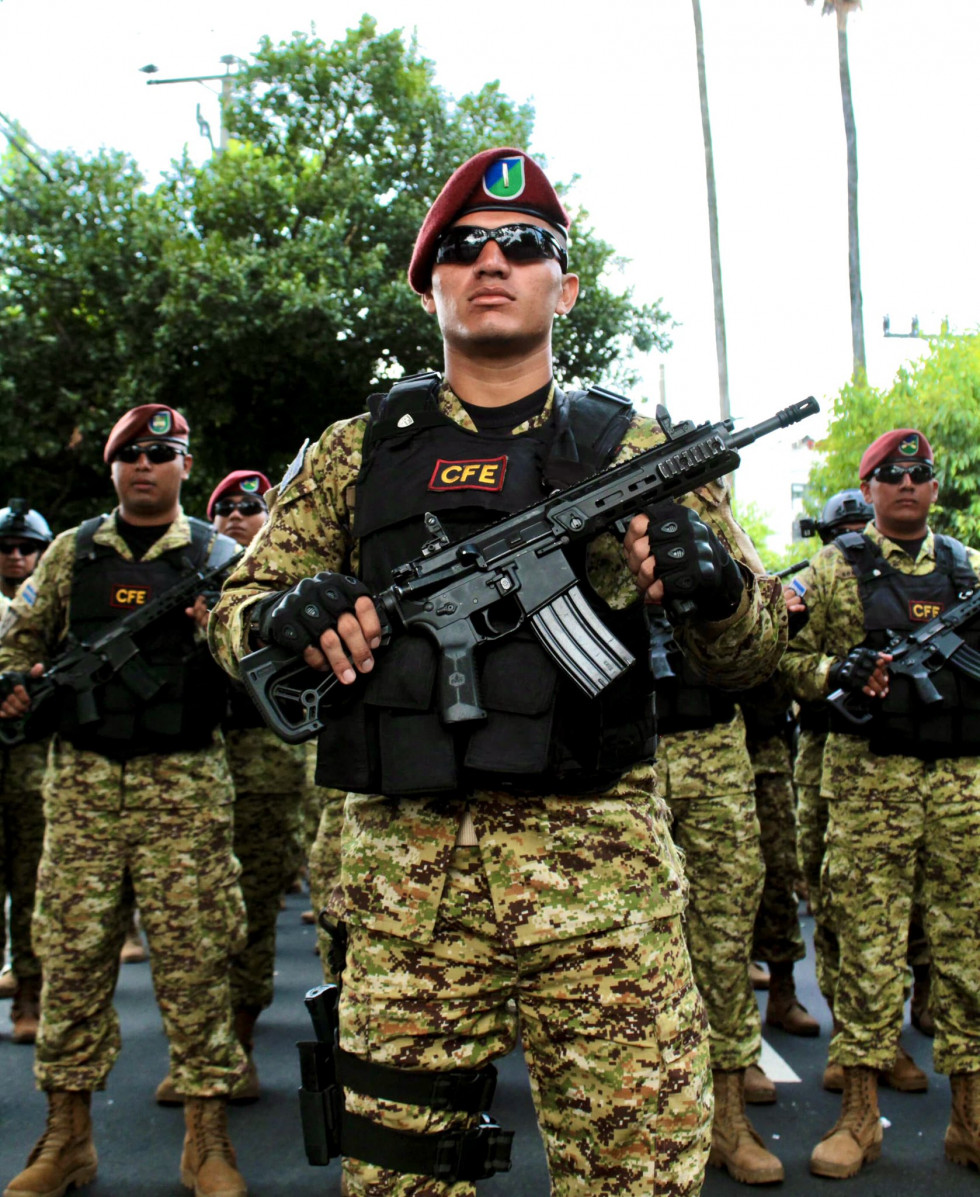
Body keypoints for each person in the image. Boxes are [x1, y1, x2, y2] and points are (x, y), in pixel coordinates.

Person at [210, 147, 788, 1197]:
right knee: (399, 1180)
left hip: (601, 896)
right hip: (400, 901)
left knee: (635, 1179)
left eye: (524, 246)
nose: (493, 261)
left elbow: (752, 657)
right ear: (429, 283)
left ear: (562, 286)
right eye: (463, 248)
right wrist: (280, 611)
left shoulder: (633, 447)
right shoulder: (354, 452)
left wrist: (714, 594)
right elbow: (234, 615)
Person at [0, 405, 250, 1197]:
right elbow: (19, 640)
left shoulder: (221, 555)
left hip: (185, 784)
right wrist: (12, 685)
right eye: (131, 454)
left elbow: (262, 659)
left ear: (185, 465)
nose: (146, 464)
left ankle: (207, 1141)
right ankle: (65, 1138)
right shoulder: (73, 553)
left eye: (163, 452)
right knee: (71, 958)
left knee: (198, 957)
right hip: (80, 783)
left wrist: (220, 630)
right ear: (112, 467)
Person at [781, 429, 980, 1180]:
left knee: (969, 954)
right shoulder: (833, 570)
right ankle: (858, 1120)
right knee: (867, 951)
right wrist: (840, 668)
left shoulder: (968, 568)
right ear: (867, 490)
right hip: (868, 788)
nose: (907, 484)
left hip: (962, 793)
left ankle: (969, 1119)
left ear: (935, 486)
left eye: (920, 473)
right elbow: (787, 663)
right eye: (890, 475)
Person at [155, 470, 306, 1107]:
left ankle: (238, 1037)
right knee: (191, 909)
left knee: (253, 902)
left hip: (262, 762)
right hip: (187, 763)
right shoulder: (184, 583)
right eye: (228, 509)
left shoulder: (285, 582)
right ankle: (196, 1042)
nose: (241, 517)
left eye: (253, 507)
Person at [788, 489, 930, 1095]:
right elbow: (788, 659)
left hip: (891, 756)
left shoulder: (939, 568)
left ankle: (889, 1036)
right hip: (828, 758)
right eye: (840, 530)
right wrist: (832, 672)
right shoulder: (820, 577)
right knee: (838, 906)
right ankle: (853, 1037)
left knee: (905, 913)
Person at [0, 499, 53, 1042]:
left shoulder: (51, 607)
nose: (16, 557)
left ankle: (28, 996)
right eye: (6, 548)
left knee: (31, 880)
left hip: (33, 761)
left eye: (26, 548)